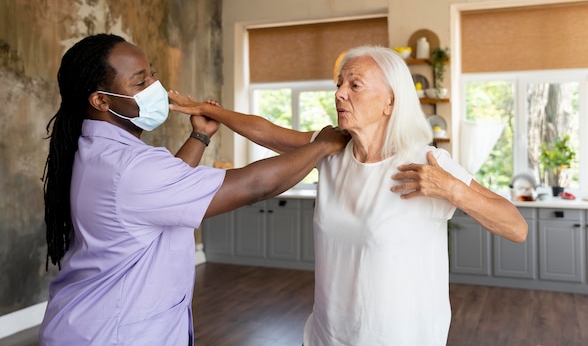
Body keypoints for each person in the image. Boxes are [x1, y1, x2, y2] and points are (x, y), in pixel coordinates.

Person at [168, 44, 528, 346]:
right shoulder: (331, 150)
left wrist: (452, 189)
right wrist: (209, 112)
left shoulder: (426, 161)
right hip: (328, 335)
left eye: (355, 85)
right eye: (339, 83)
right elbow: (268, 132)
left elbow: (516, 227)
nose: (339, 93)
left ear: (390, 102)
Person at [39, 33, 348, 346]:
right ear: (101, 100)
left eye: (152, 75)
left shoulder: (99, 151)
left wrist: (199, 136)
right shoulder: (130, 168)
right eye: (140, 83)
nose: (154, 87)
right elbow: (254, 185)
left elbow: (165, 191)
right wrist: (321, 147)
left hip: (87, 321)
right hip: (114, 333)